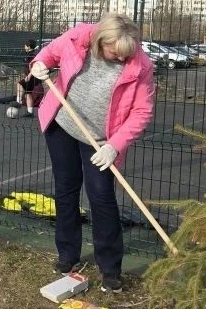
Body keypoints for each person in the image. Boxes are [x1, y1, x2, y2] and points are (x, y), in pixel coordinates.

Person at [29, 15, 154, 293]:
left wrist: (114, 145)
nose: (121, 58)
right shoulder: (78, 38)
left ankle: (110, 269)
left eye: (125, 53)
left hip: (100, 141)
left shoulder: (141, 65)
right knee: (65, 189)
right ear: (100, 41)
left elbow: (141, 112)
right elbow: (49, 54)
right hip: (63, 126)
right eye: (115, 52)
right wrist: (39, 64)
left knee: (102, 197)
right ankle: (67, 255)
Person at [0, 39, 43, 115]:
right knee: (28, 93)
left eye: (25, 45)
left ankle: (18, 102)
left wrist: (28, 76)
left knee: (20, 85)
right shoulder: (28, 55)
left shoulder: (32, 56)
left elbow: (34, 67)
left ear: (28, 46)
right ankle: (30, 112)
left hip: (33, 78)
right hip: (32, 78)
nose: (24, 47)